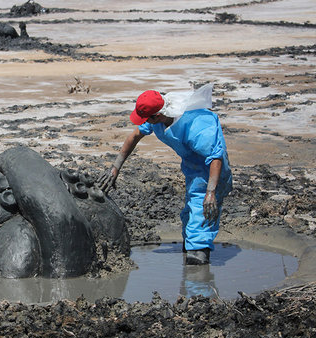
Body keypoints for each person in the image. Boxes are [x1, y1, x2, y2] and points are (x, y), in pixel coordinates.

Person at [97, 84, 233, 265]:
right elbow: (134, 136)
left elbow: (215, 157)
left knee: (202, 213)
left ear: (158, 115)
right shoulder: (158, 116)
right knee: (190, 213)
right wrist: (115, 168)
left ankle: (198, 269)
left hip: (212, 171)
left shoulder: (196, 125)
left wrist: (211, 192)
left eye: (146, 118)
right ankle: (192, 251)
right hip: (192, 168)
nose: (144, 122)